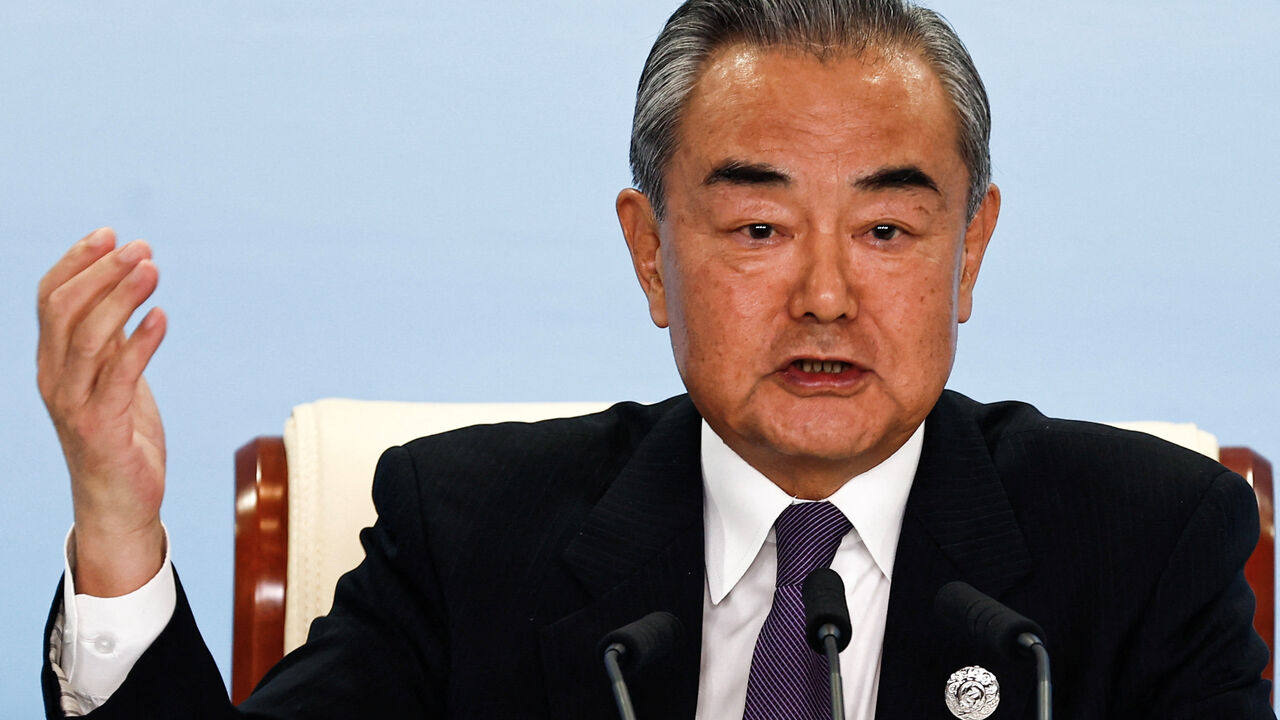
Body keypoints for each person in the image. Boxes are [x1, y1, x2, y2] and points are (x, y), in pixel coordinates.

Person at [37, 0, 1270, 718]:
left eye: (887, 229)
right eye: (757, 230)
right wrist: (115, 527)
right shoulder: (468, 534)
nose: (826, 296)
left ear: (970, 250)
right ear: (648, 254)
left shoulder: (1148, 541)